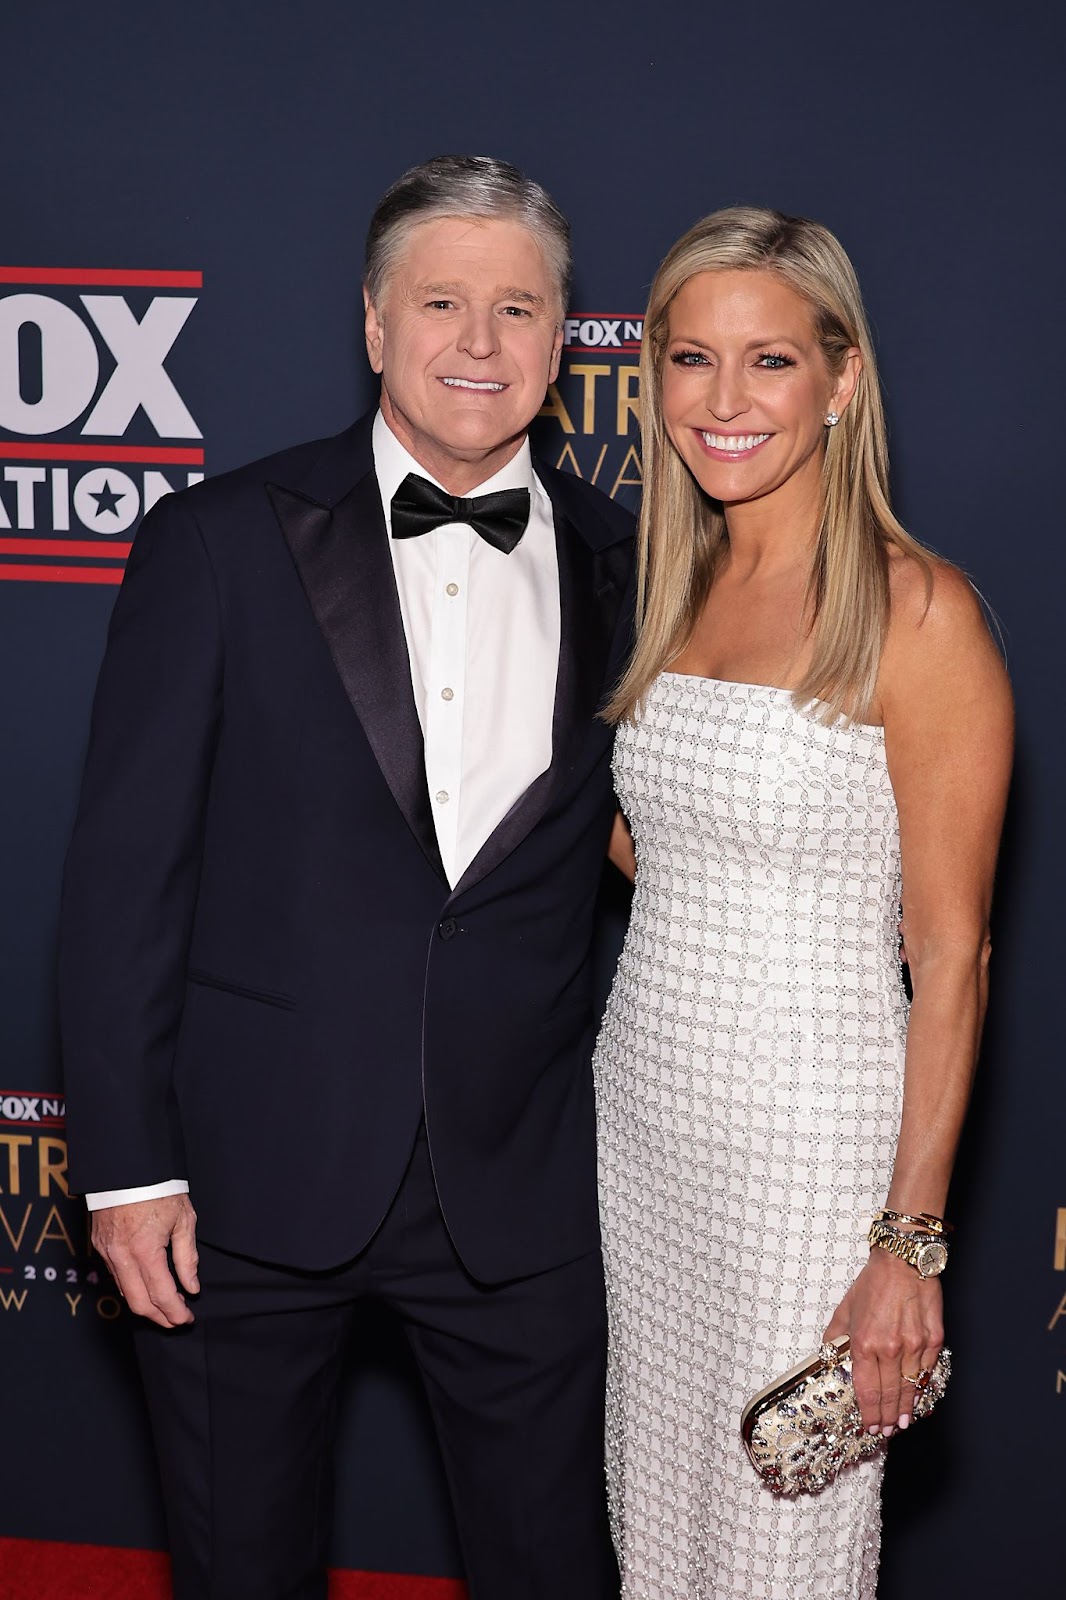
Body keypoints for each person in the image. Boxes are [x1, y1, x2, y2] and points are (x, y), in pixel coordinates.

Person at [59, 155, 634, 1600]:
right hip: (247, 1180)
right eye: (441, 302)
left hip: (521, 1183)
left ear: (564, 337)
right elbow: (122, 883)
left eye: (518, 309)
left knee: (554, 1568)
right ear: (373, 324)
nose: (479, 344)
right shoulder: (214, 542)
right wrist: (127, 1168)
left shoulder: (638, 564)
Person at [593, 206, 1012, 1598]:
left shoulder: (916, 613)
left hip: (810, 1166)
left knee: (781, 1546)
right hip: (645, 1134)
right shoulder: (676, 584)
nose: (722, 402)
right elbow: (662, 845)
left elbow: (950, 956)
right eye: (690, 359)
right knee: (654, 1521)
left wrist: (906, 1246)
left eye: (767, 361)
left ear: (840, 380)